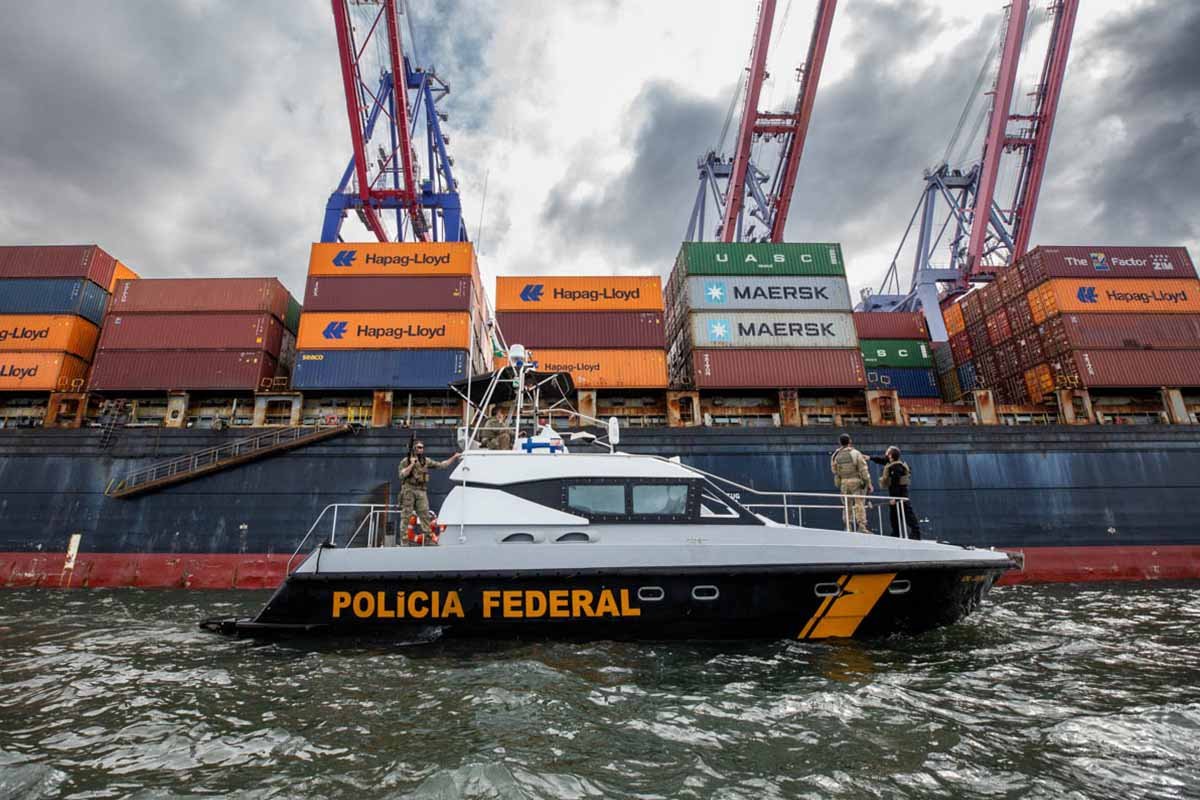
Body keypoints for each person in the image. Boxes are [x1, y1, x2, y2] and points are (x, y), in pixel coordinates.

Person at [398, 441, 461, 544]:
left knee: (425, 514)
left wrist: (454, 457)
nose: (421, 449)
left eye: (422, 447)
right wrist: (411, 465)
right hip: (409, 490)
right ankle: (404, 540)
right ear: (414, 448)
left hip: (421, 490)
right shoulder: (406, 461)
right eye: (419, 447)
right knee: (406, 515)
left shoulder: (425, 461)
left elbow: (442, 465)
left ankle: (428, 538)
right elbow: (402, 474)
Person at [870, 446, 922, 540]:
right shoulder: (892, 463)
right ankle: (896, 533)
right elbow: (882, 460)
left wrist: (895, 498)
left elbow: (895, 483)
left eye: (887, 453)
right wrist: (870, 458)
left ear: (890, 455)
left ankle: (916, 533)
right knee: (894, 515)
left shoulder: (896, 467)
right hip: (896, 494)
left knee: (907, 514)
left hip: (900, 495)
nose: (885, 454)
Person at [831, 433, 872, 533]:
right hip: (856, 482)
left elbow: (834, 470)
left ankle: (848, 526)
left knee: (846, 504)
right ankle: (861, 526)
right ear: (850, 441)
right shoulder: (855, 453)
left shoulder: (835, 455)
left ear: (840, 443)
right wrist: (868, 483)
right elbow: (863, 470)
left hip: (844, 483)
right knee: (859, 504)